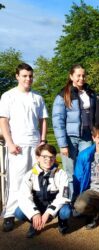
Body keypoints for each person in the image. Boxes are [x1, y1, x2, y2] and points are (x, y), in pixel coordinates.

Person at [0, 63, 48, 232]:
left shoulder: (38, 98)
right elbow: (3, 121)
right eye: (25, 76)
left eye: (30, 76)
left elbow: (43, 120)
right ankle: (9, 214)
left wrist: (42, 140)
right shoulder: (8, 96)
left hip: (35, 145)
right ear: (17, 77)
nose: (28, 79)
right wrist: (10, 142)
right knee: (16, 180)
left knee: (35, 179)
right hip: (17, 146)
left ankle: (32, 211)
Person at [52, 64, 96, 196]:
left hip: (87, 137)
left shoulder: (91, 93)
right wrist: (62, 144)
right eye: (78, 75)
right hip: (70, 139)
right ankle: (70, 201)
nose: (81, 78)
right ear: (71, 76)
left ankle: (83, 200)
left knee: (85, 169)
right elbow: (57, 120)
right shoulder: (63, 95)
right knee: (69, 172)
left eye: (83, 75)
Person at [15, 144, 71, 238]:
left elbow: (64, 196)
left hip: (54, 206)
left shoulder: (61, 174)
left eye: (51, 157)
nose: (48, 160)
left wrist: (49, 212)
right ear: (38, 157)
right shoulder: (30, 174)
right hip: (38, 206)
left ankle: (62, 222)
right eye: (44, 156)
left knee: (66, 212)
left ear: (55, 158)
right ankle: (35, 223)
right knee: (18, 212)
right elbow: (24, 196)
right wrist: (34, 213)